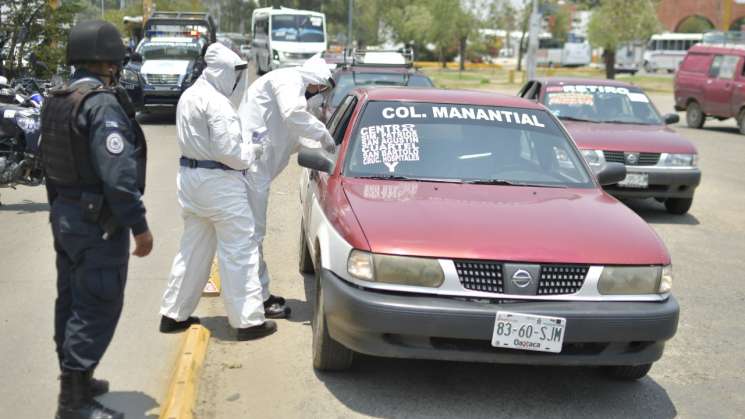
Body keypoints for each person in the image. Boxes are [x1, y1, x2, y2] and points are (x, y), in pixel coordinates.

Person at [41, 20, 152, 419]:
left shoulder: (58, 97)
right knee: (97, 302)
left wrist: (61, 210)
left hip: (66, 216)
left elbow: (49, 164)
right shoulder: (100, 104)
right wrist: (139, 226)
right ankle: (73, 403)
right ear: (107, 61)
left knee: (71, 299)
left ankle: (78, 379)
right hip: (96, 223)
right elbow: (118, 177)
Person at [159, 43, 273, 340]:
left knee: (192, 249)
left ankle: (173, 314)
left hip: (190, 180)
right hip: (220, 183)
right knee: (240, 249)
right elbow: (230, 152)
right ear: (224, 71)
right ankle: (248, 322)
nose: (237, 80)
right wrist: (255, 150)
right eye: (235, 74)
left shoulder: (189, 95)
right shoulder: (217, 103)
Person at [237, 54, 335, 317]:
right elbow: (294, 117)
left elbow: (297, 137)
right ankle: (257, 300)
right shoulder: (289, 83)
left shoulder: (288, 87)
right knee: (252, 235)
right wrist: (323, 134)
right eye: (319, 88)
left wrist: (325, 147)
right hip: (250, 168)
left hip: (254, 168)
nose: (317, 94)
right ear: (316, 81)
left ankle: (258, 295)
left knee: (248, 235)